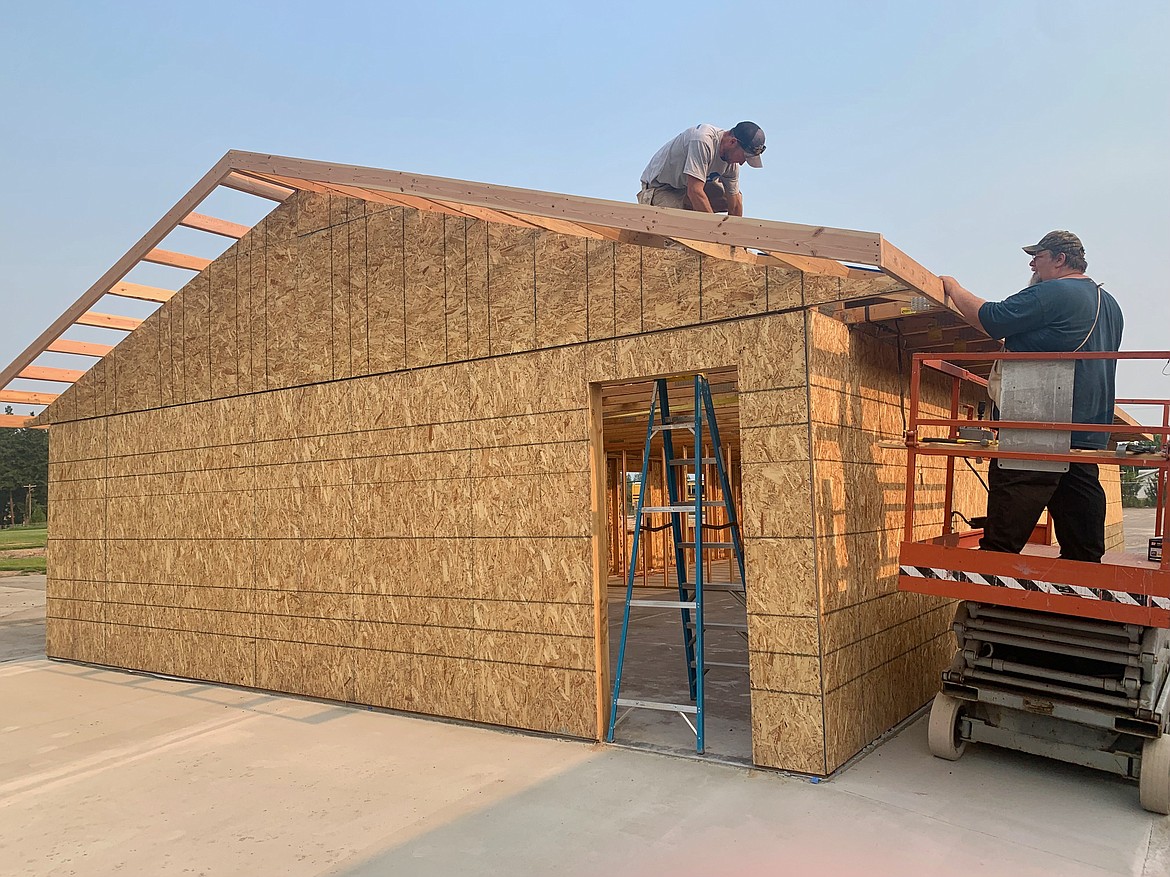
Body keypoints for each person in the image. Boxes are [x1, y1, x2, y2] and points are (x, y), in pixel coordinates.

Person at [940, 231, 1124, 563]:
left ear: (1059, 260)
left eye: (1037, 257)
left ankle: (991, 598)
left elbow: (993, 319)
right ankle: (1080, 604)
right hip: (1084, 435)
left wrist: (953, 288)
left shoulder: (1055, 291)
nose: (1032, 265)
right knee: (1083, 544)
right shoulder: (1109, 304)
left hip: (1039, 429)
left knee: (1001, 544)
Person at [637, 122, 766, 216]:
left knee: (732, 198)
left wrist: (735, 242)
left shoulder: (731, 163)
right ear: (732, 142)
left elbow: (735, 205)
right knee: (680, 241)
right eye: (744, 157)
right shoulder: (703, 141)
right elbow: (695, 191)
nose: (742, 163)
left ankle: (690, 212)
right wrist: (715, 234)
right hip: (661, 188)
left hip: (685, 188)